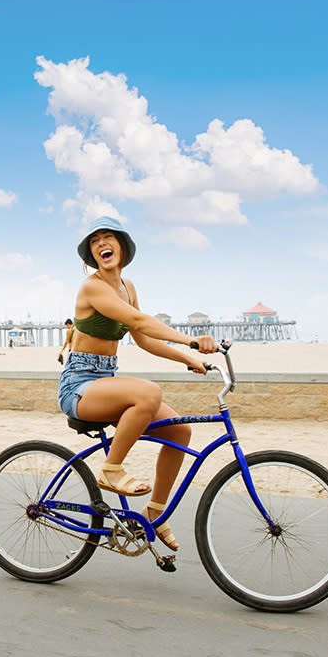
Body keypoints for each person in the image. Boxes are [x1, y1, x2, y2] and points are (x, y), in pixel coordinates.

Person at [57, 216, 217, 551]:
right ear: (90, 254)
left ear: (122, 247)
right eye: (95, 240)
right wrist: (190, 342)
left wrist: (189, 359)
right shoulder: (92, 287)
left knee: (179, 431)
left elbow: (142, 337)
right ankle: (111, 469)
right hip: (79, 385)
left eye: (108, 237)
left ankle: (155, 513)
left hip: (105, 381)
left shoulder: (128, 288)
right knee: (148, 391)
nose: (102, 243)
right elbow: (137, 320)